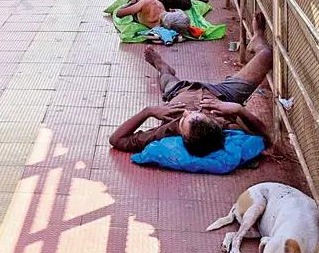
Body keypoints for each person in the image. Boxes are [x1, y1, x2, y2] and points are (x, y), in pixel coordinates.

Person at [110, 14, 273, 156]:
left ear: (183, 137)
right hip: (224, 94)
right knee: (266, 54)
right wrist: (239, 110)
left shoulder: (166, 132)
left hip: (179, 91)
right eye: (202, 116)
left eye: (183, 119)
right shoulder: (222, 126)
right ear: (214, 123)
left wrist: (149, 111)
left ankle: (163, 67)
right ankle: (257, 39)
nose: (188, 111)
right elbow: (266, 139)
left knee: (167, 79)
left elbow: (116, 139)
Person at [114, 0, 209, 29]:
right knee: (186, 3)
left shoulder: (160, 24)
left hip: (156, 1)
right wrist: (133, 5)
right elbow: (119, 13)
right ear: (171, 11)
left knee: (183, 3)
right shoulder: (149, 2)